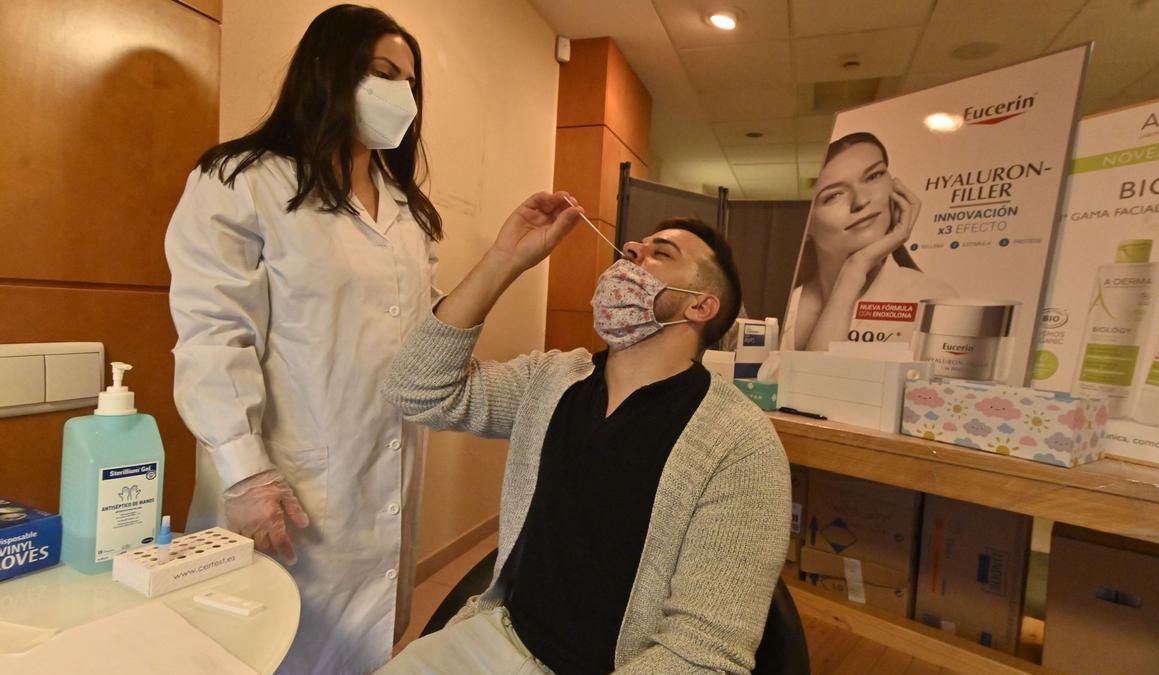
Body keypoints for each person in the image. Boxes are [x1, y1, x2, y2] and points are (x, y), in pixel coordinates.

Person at [378, 194, 791, 674]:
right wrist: (505, 260)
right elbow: (416, 389)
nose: (633, 248)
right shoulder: (551, 380)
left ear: (701, 306)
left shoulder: (739, 444)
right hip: (493, 638)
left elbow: (701, 653)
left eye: (662, 252)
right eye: (638, 244)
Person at [165, 5, 440, 672]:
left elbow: (419, 339)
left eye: (408, 80)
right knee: (268, 649)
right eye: (382, 73)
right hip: (285, 483)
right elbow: (212, 335)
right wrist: (246, 470)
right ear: (329, 72)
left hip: (386, 478)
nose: (400, 93)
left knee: (367, 647)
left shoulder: (406, 209)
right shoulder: (242, 181)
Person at [781, 132, 956, 351]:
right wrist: (850, 278)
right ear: (805, 226)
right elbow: (812, 378)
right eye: (833, 195)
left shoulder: (933, 300)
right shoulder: (785, 303)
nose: (861, 201)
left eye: (873, 176)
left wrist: (857, 265)